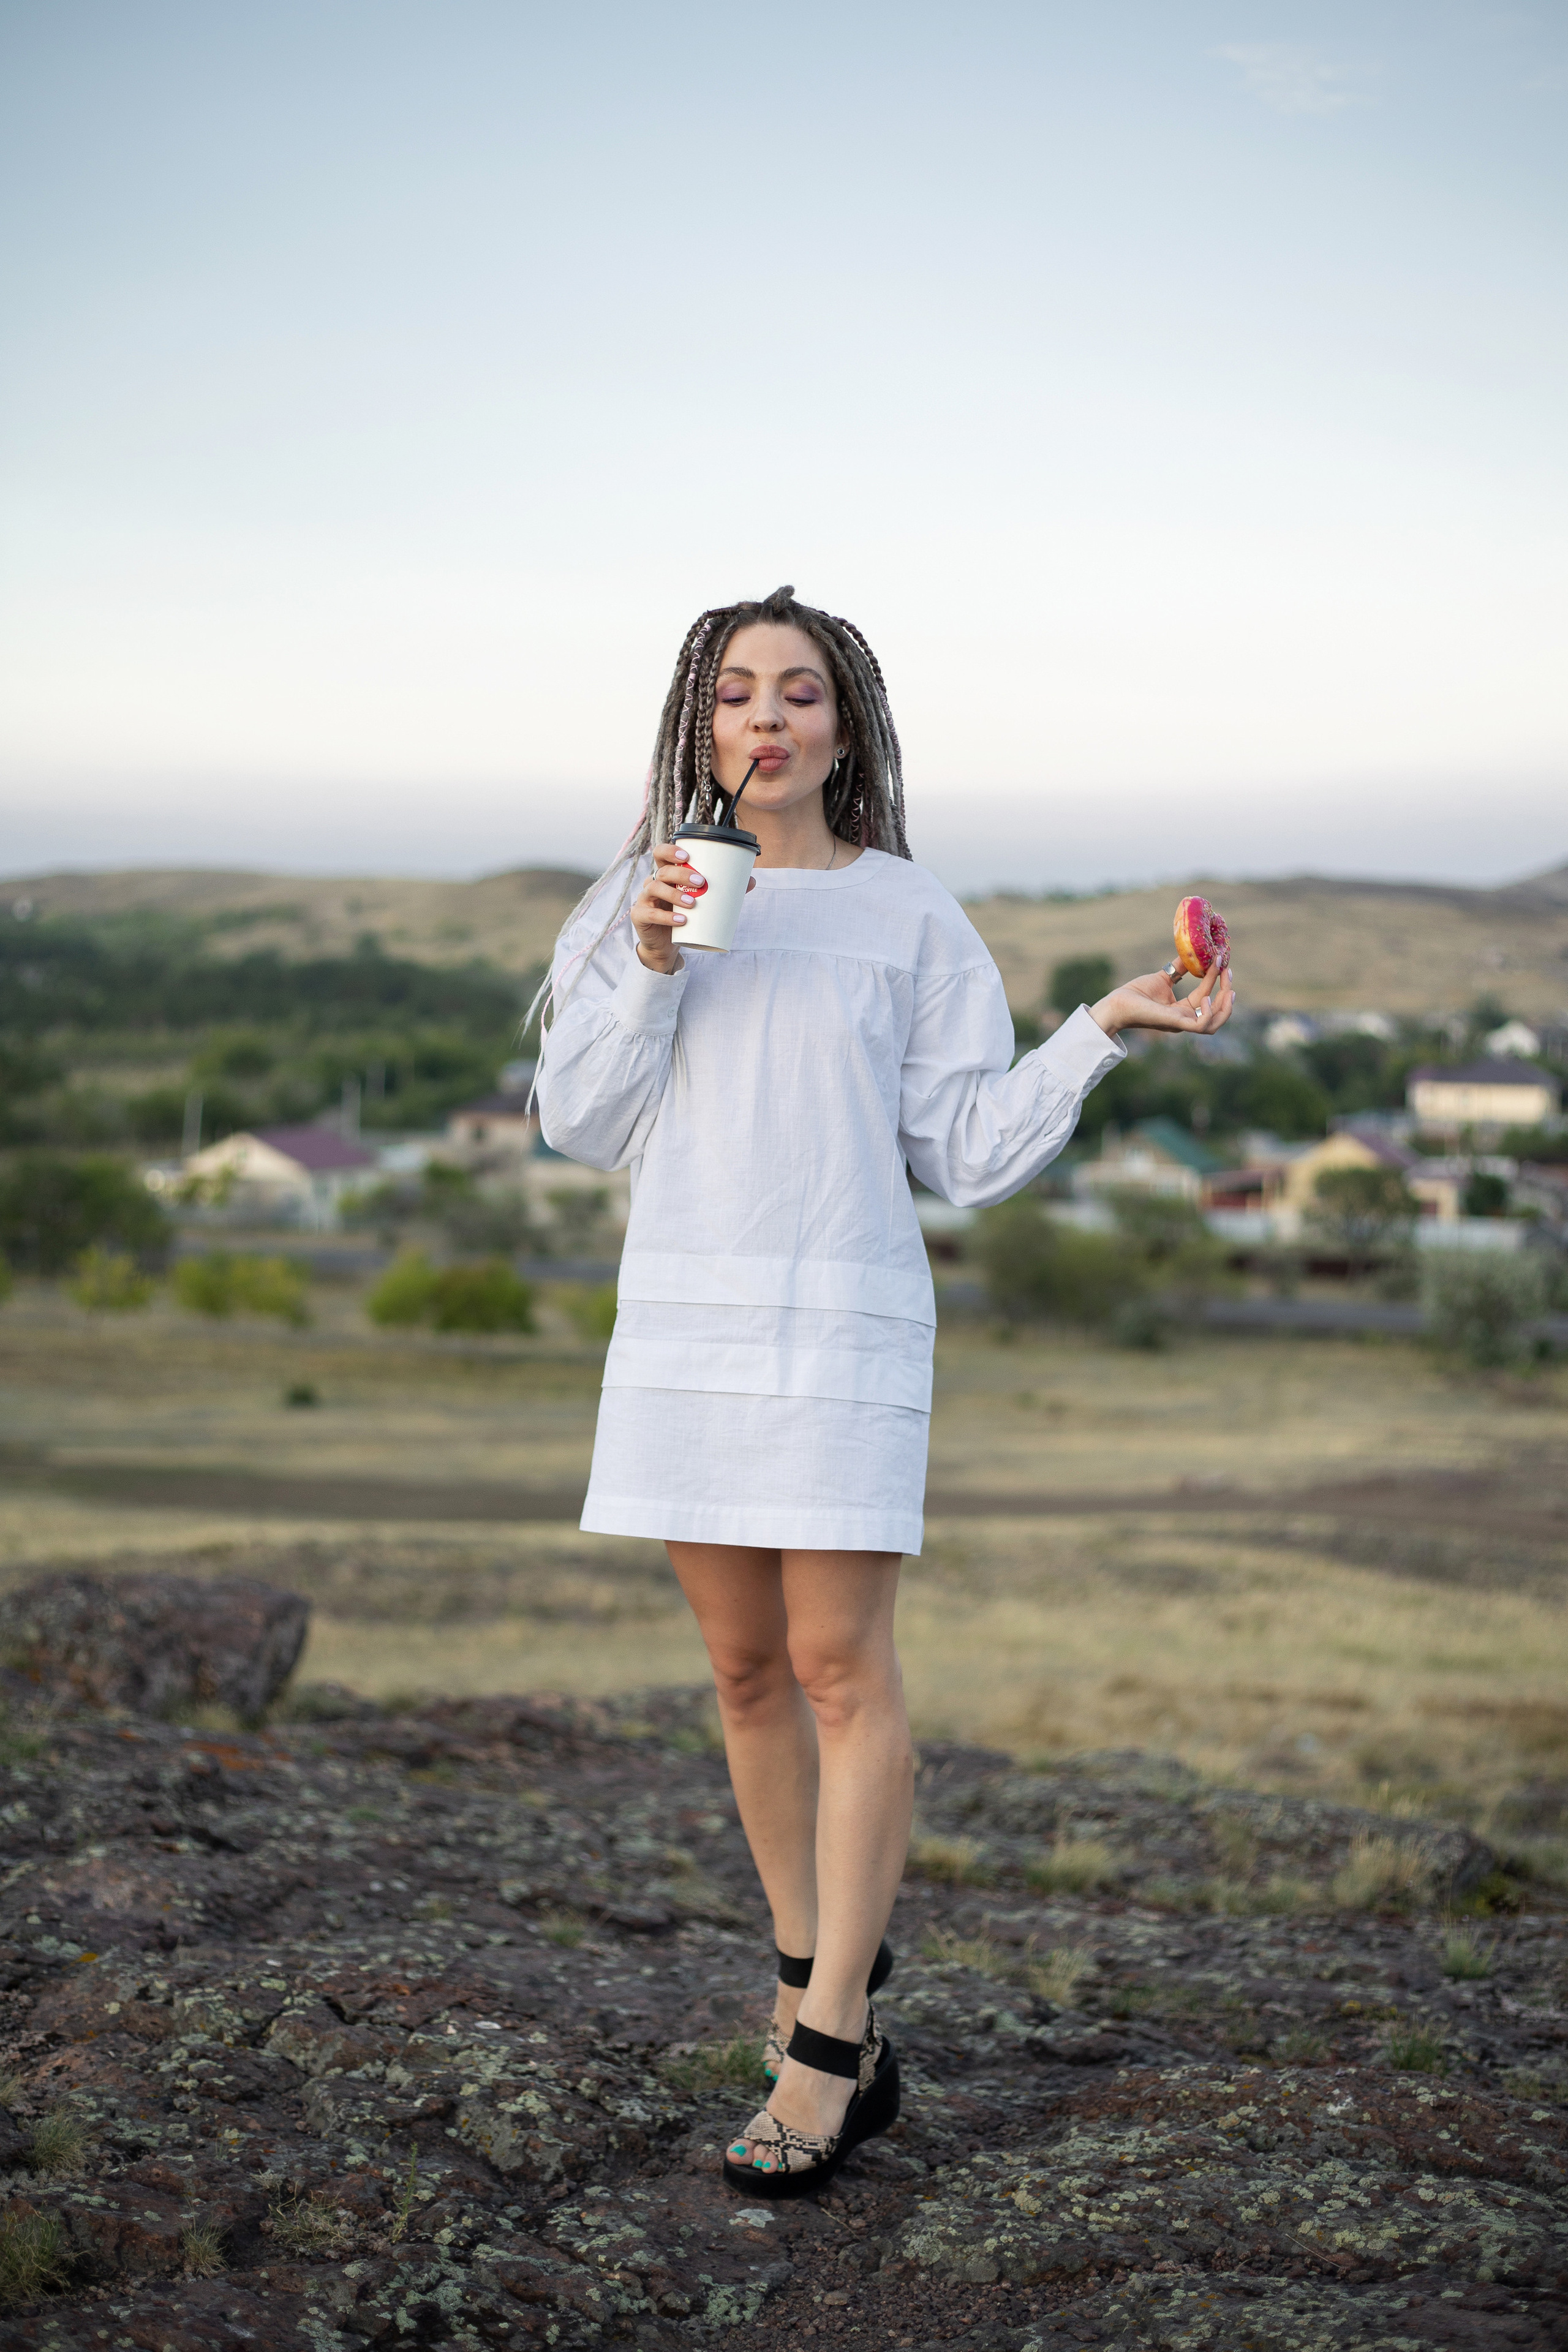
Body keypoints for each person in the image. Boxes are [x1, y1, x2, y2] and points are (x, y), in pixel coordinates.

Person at [534, 587, 1234, 2195]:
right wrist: (645, 957)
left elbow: (967, 1150)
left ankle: (832, 2044)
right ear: (700, 726)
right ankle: (807, 1973)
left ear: (847, 728)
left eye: (798, 693)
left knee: (842, 1665)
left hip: (845, 1328)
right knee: (741, 1669)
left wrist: (1106, 1028)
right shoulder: (640, 897)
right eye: (734, 694)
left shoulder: (912, 915)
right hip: (694, 1333)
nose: (764, 719)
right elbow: (581, 1122)